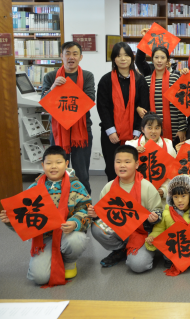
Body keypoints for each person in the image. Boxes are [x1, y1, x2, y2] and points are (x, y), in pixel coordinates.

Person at [0, 146, 90, 287]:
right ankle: (49, 257)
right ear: (43, 165)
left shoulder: (77, 185)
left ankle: (69, 261)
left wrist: (74, 222)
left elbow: (85, 210)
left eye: (58, 162)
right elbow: (25, 220)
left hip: (68, 233)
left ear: (66, 163)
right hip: (44, 238)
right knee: (40, 278)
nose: (53, 166)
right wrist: (10, 221)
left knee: (77, 240)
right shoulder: (34, 188)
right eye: (49, 163)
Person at [88, 145, 163, 272]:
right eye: (118, 162)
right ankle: (120, 249)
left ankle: (143, 251)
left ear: (136, 164)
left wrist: (154, 217)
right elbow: (105, 214)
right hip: (121, 229)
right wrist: (96, 214)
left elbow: (158, 211)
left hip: (143, 233)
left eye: (127, 162)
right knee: (97, 228)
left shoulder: (147, 187)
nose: (122, 165)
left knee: (138, 265)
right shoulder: (109, 187)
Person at [41, 41, 95, 194]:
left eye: (75, 54)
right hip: (58, 131)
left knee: (81, 173)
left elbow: (90, 99)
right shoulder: (51, 76)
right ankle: (59, 201)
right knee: (57, 171)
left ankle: (84, 204)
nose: (71, 57)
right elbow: (44, 103)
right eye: (68, 53)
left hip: (81, 131)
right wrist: (53, 88)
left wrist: (69, 89)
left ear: (80, 57)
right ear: (61, 56)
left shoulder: (87, 76)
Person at [97, 42, 149, 182]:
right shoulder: (106, 80)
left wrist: (137, 132)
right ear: (114, 59)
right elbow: (102, 107)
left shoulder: (140, 80)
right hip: (110, 134)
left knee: (134, 169)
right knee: (112, 169)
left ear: (131, 58)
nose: (123, 59)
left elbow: (144, 108)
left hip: (134, 134)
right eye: (118, 56)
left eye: (126, 55)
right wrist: (111, 131)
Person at [145, 175, 190, 275]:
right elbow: (159, 229)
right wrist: (152, 238)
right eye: (175, 197)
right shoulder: (166, 213)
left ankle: (188, 257)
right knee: (167, 233)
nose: (180, 200)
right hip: (171, 251)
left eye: (183, 196)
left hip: (188, 249)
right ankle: (170, 260)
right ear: (171, 197)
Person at [125, 113, 177, 200]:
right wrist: (132, 154)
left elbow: (174, 171)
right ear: (142, 129)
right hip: (136, 192)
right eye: (149, 128)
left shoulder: (168, 144)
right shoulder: (131, 145)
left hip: (160, 192)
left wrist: (164, 190)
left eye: (157, 128)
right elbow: (124, 169)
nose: (153, 131)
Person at [143, 46, 188, 144]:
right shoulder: (146, 80)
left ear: (167, 60)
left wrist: (182, 128)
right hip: (153, 129)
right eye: (156, 57)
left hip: (175, 128)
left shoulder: (175, 78)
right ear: (152, 59)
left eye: (163, 58)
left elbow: (181, 105)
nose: (159, 61)